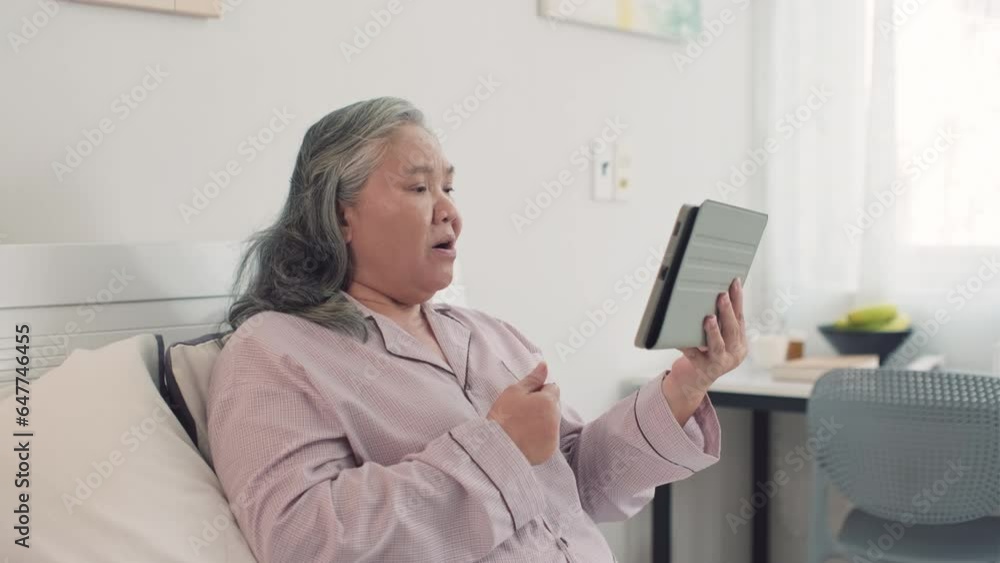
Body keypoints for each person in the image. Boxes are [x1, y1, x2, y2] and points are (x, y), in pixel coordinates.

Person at [206, 97, 747, 562]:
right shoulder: (274, 351)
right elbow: (306, 542)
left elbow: (580, 486)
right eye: (419, 189)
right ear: (339, 215)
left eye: (449, 188)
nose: (450, 213)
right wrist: (501, 447)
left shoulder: (490, 336)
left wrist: (685, 384)